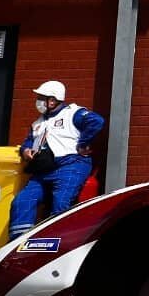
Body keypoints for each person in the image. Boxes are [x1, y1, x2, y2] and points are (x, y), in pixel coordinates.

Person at [8, 80, 104, 241]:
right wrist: (26, 150)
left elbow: (96, 121)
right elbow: (28, 141)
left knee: (61, 202)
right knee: (22, 200)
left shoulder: (73, 113)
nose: (37, 101)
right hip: (43, 170)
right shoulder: (38, 123)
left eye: (41, 97)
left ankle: (58, 244)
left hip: (71, 165)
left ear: (52, 100)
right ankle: (18, 243)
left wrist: (83, 143)